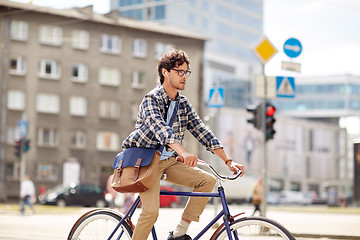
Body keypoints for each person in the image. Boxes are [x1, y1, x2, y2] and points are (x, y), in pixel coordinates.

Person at [122, 49, 245, 240]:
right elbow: (161, 129)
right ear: (165, 72)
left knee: (207, 181)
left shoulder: (183, 104)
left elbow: (202, 132)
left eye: (186, 72)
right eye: (179, 71)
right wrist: (183, 152)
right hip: (144, 162)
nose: (184, 76)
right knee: (151, 213)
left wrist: (229, 162)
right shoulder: (151, 99)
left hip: (168, 162)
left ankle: (179, 232)